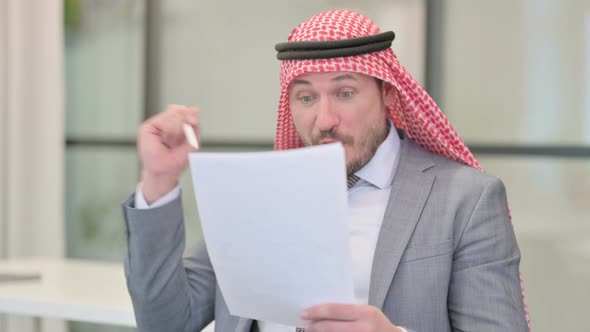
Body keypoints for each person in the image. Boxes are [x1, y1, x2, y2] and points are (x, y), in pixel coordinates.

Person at [122, 9, 530, 332]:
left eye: (345, 92)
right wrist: (159, 180)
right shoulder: (258, 192)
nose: (325, 119)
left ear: (388, 92)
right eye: (306, 97)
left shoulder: (465, 200)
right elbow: (165, 322)